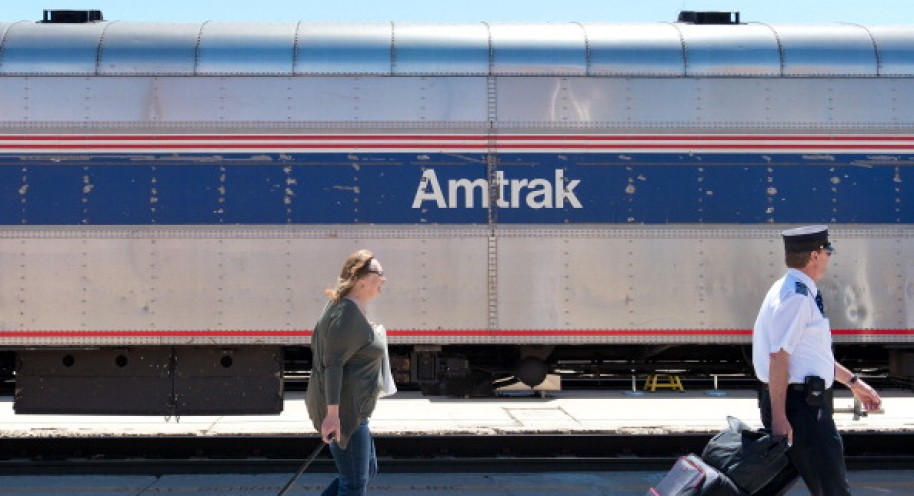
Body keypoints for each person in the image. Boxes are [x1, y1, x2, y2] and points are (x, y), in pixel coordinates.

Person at [752, 225, 882, 496]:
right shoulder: (797, 298)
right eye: (827, 252)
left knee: (775, 486)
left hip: (800, 404)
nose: (829, 257)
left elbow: (812, 356)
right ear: (814, 255)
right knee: (832, 489)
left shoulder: (789, 288)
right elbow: (778, 358)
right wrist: (779, 417)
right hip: (801, 409)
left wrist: (854, 383)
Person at [306, 249, 388, 496]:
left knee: (363, 473)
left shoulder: (348, 309)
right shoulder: (346, 313)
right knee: (353, 484)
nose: (384, 279)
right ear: (359, 278)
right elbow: (333, 364)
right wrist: (332, 415)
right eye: (379, 274)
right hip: (345, 410)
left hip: (353, 406)